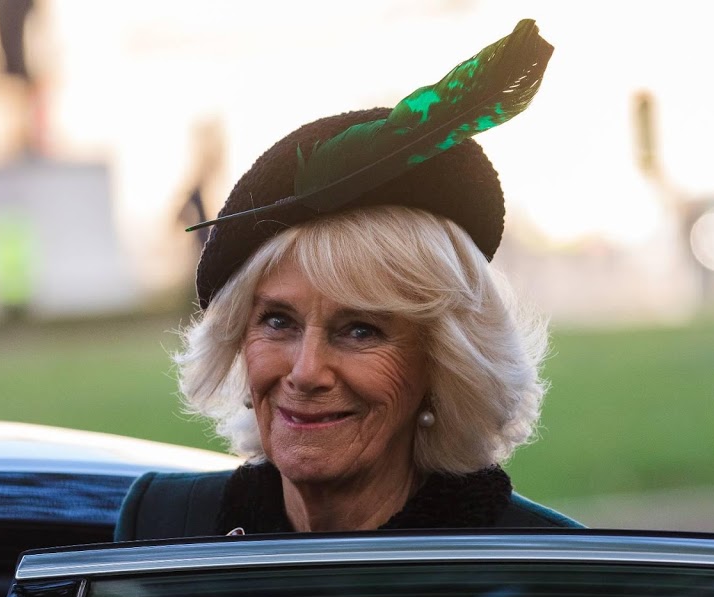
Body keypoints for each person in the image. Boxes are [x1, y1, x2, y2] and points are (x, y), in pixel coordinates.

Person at [115, 19, 580, 542]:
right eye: (277, 321)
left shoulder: (551, 570)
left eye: (360, 330)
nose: (306, 372)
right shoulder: (162, 528)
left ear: (445, 367)